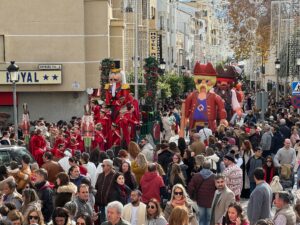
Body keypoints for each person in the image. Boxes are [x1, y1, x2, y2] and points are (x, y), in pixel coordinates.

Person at [188, 160, 215, 225]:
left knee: (201, 218)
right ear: (210, 167)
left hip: (200, 200)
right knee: (209, 219)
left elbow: (190, 187)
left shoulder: (196, 176)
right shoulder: (214, 176)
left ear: (202, 166)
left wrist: (193, 196)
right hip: (210, 201)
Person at [95, 159, 116, 223]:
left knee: (110, 220)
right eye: (102, 165)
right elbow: (97, 186)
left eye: (103, 165)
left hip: (110, 203)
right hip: (101, 202)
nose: (102, 166)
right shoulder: (100, 175)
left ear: (109, 166)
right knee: (102, 220)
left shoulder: (115, 175)